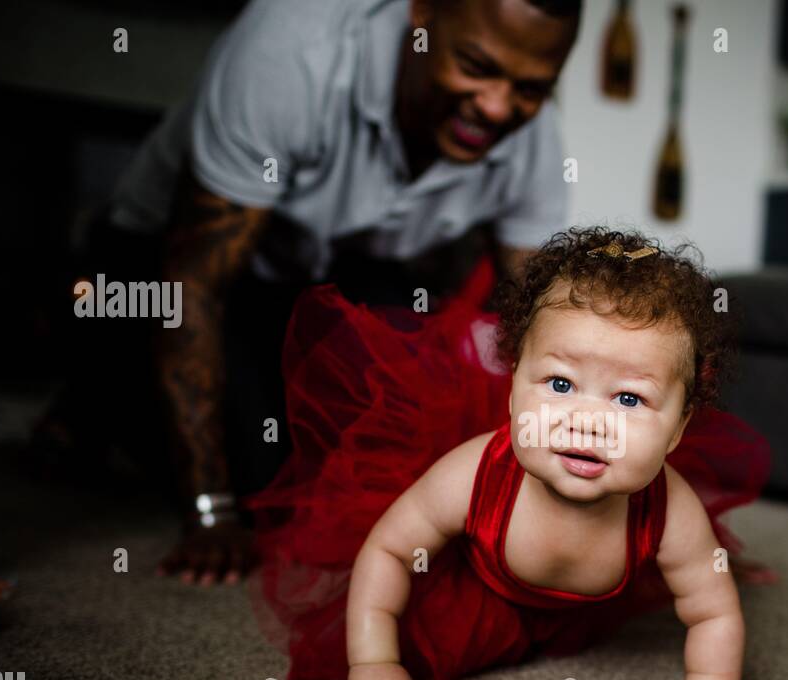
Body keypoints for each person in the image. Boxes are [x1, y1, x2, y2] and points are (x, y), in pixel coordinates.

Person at [40, 0, 581, 587]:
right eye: (475, 65)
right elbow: (190, 286)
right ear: (422, 13)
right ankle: (93, 394)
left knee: (370, 462)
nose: (498, 106)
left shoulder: (530, 138)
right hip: (161, 267)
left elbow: (542, 319)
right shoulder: (291, 55)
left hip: (322, 275)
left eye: (531, 88)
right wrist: (209, 512)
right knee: (259, 490)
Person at [247, 226, 772, 680]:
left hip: (579, 605)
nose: (588, 423)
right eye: (561, 384)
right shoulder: (473, 475)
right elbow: (390, 551)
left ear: (680, 428)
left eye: (629, 397)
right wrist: (374, 662)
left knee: (710, 572)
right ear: (514, 381)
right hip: (476, 589)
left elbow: (714, 616)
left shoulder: (671, 513)